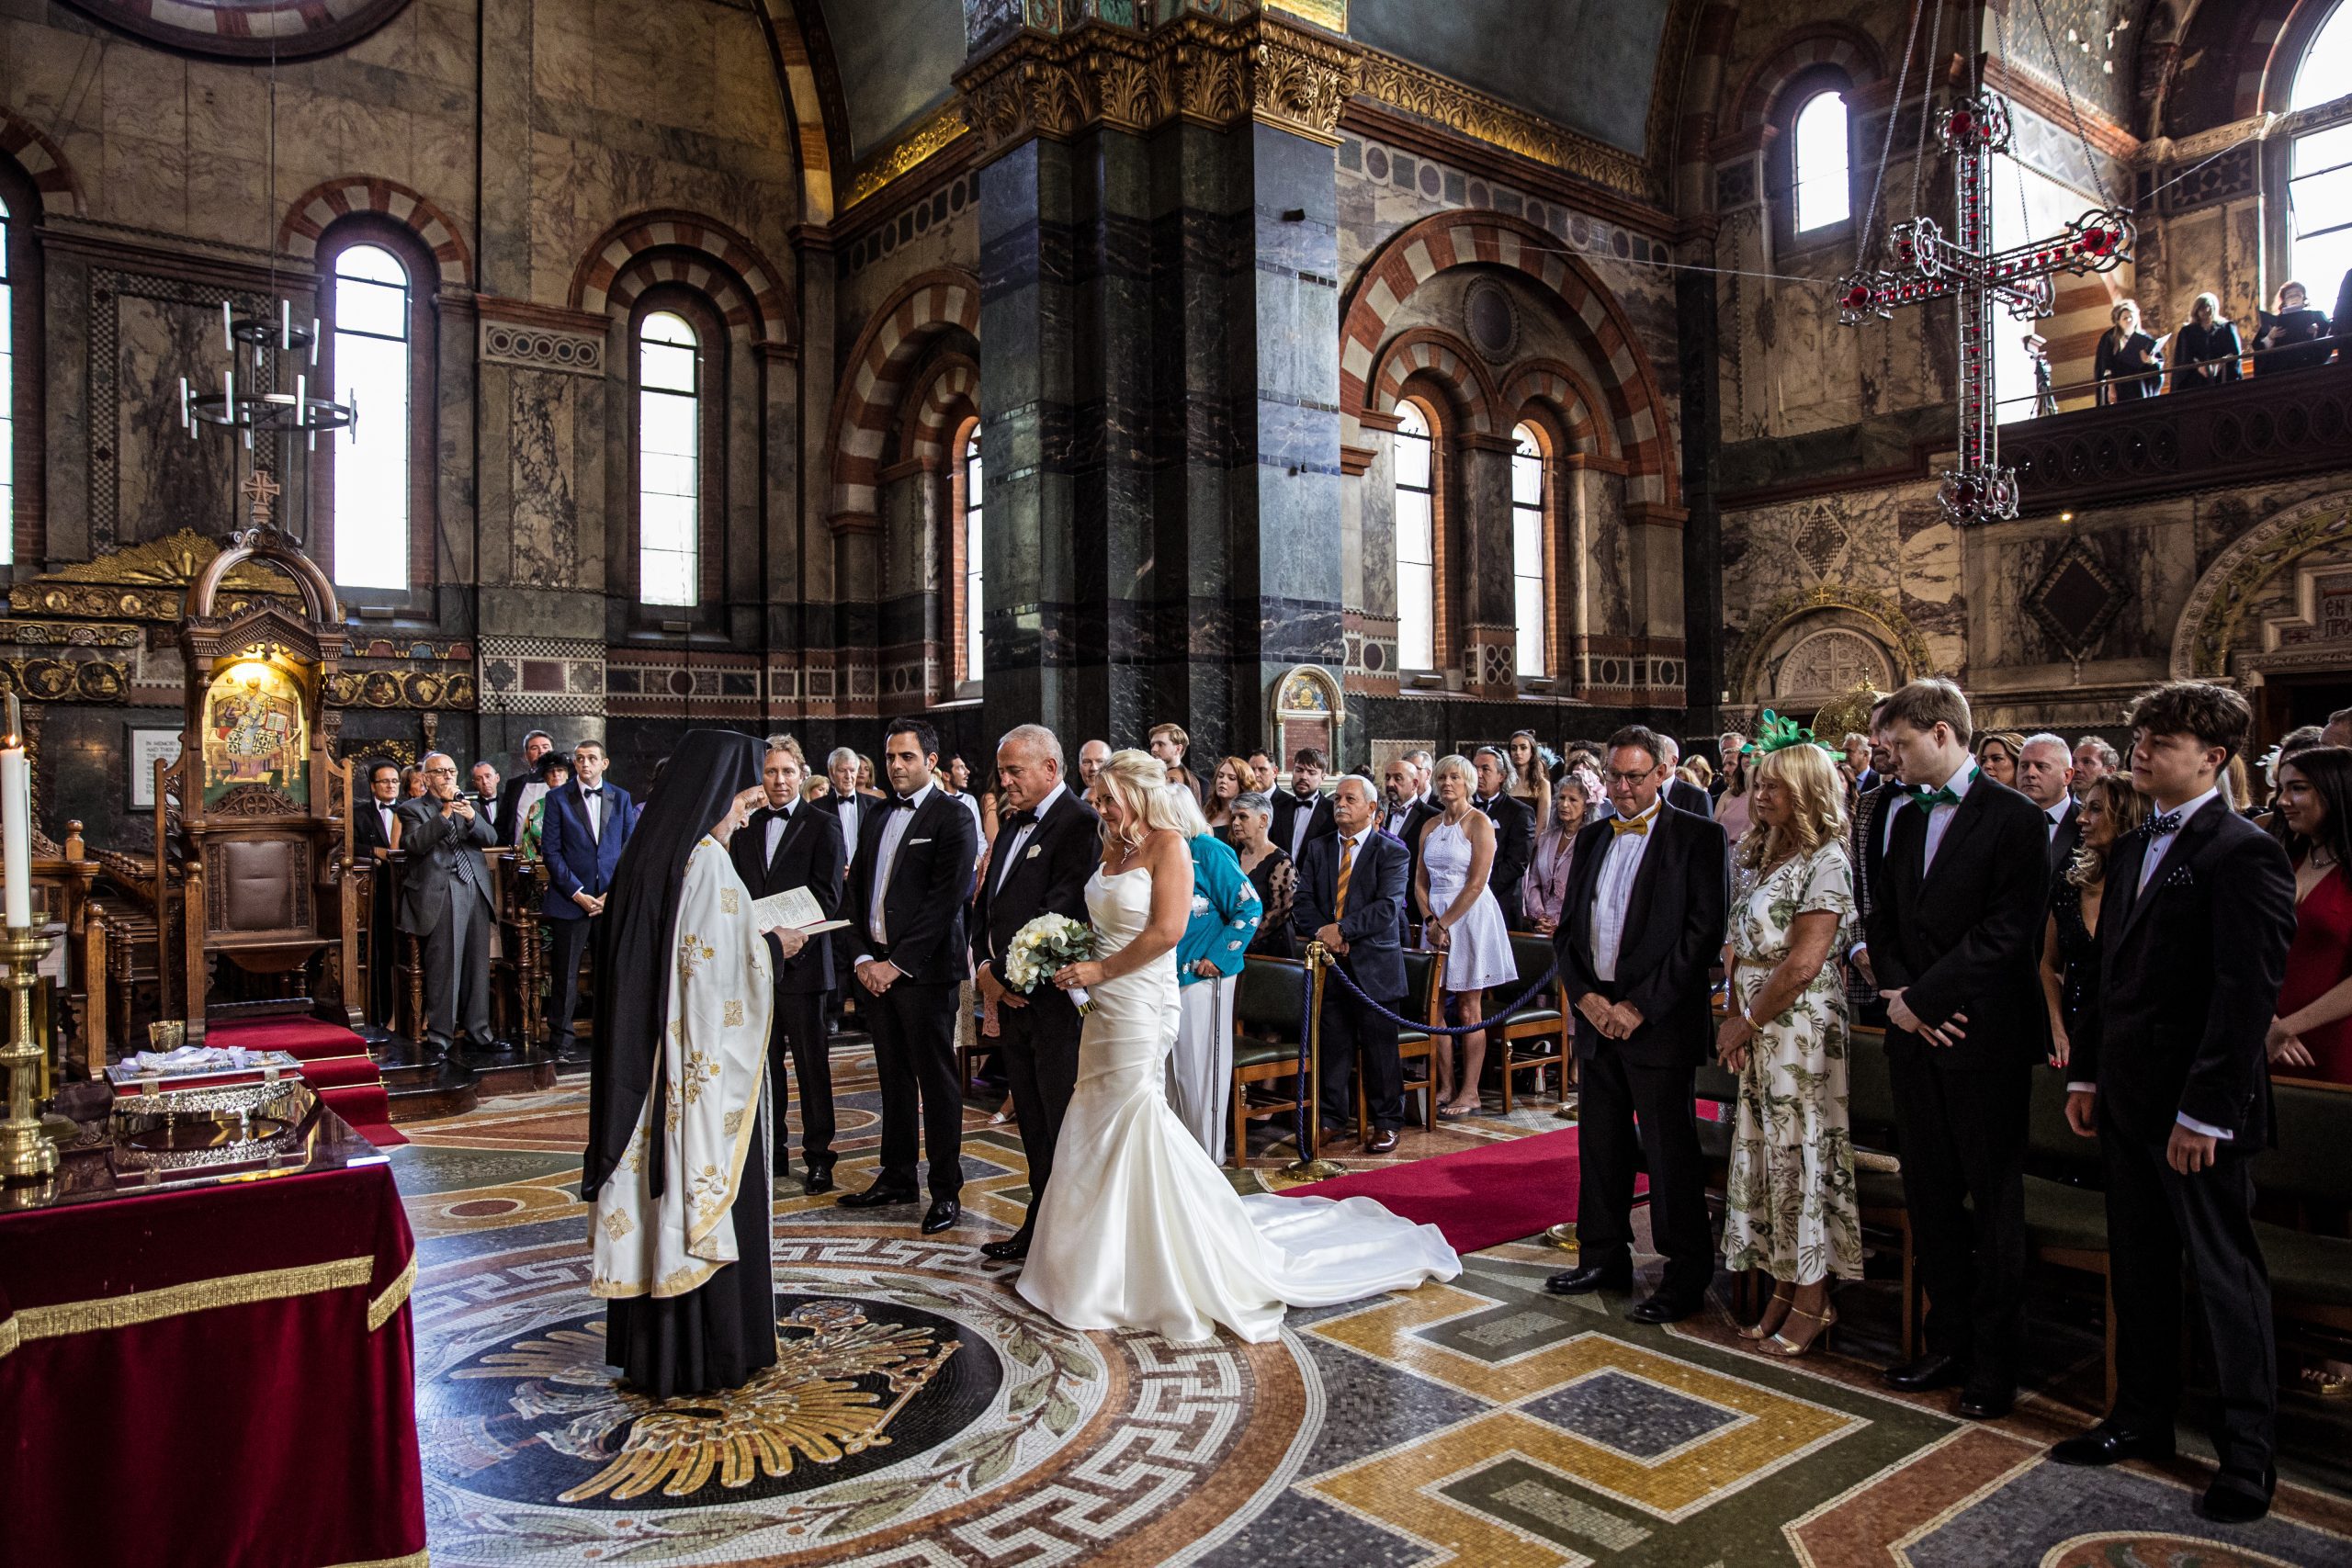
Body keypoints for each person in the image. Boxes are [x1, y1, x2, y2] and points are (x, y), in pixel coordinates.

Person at [1014, 750, 1458, 1341]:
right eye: (1095, 798)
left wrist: (1100, 970)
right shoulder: (1111, 843)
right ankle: (1089, 1258)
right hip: (1105, 1005)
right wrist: (1069, 950)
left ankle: (1150, 1258)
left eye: (1107, 799)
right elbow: (1103, 920)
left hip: (1143, 998)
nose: (1098, 808)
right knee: (1095, 1113)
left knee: (1134, 1112)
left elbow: (1166, 931)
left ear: (1140, 795)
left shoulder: (1170, 845)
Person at [2052, 682, 2296, 1525]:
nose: (2142, 748)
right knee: (2142, 1266)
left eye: (2163, 738)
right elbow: (2104, 975)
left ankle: (2247, 1456)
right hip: (2123, 1096)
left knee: (2225, 1278)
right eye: (2141, 735)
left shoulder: (2244, 852)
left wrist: (2206, 1113)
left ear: (2215, 757)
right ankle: (2142, 1417)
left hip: (2200, 1112)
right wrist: (2086, 1073)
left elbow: (2244, 995)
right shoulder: (2132, 844)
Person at [585, 729, 793, 1398]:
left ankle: (658, 1352)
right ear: (715, 794)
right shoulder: (706, 861)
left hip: (651, 1069)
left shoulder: (653, 853)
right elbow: (719, 982)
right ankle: (707, 1353)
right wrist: (778, 949)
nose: (745, 813)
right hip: (696, 1078)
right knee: (708, 1200)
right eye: (742, 800)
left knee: (657, 1206)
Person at [1866, 679, 2049, 1421]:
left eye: (1900, 745)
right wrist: (1903, 1003)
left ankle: (1996, 1363)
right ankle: (1947, 1339)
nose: (1890, 759)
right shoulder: (1897, 814)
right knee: (1929, 1193)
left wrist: (1930, 1000)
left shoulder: (2014, 817)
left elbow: (2010, 931)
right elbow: (1882, 915)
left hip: (1983, 1033)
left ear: (1941, 733)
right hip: (1914, 1032)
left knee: (1993, 1200)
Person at [1547, 726, 1728, 1325]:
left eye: (1634, 776)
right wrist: (1586, 997)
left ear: (1660, 775)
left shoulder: (1697, 836)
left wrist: (1640, 1004)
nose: (1623, 788)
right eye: (1616, 776)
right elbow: (1569, 927)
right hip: (1599, 1015)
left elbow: (1701, 934)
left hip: (1659, 1019)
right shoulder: (1596, 834)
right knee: (1599, 1140)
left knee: (1670, 1147)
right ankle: (1602, 1253)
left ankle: (1684, 1273)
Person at [1717, 737, 1860, 1358]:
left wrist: (1746, 1019)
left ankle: (1813, 1297)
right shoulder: (1767, 853)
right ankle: (1782, 1283)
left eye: (1775, 785)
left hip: (1799, 1029)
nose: (1762, 794)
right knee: (1768, 1156)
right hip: (1757, 1022)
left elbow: (1803, 963)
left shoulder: (1827, 858)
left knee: (1803, 1156)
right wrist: (1732, 1014)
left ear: (1807, 790)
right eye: (1759, 783)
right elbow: (1738, 948)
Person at [839, 720, 980, 1234]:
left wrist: (895, 965)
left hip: (923, 974)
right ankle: (897, 1175)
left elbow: (946, 902)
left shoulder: (953, 817)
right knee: (892, 1079)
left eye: (907, 757)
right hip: (874, 969)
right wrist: (860, 960)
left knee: (937, 1082)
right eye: (891, 757)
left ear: (932, 761)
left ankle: (945, 1190)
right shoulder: (877, 814)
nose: (897, 765)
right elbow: (853, 893)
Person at [970, 725, 1101, 1263]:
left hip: (1051, 1004)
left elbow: (1062, 910)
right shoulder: (1010, 824)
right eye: (1001, 771)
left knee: (1057, 1115)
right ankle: (1039, 1219)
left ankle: (1064, 1232)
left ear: (1050, 769)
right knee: (1027, 1112)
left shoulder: (1080, 823)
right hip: (1011, 998)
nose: (1004, 781)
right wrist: (983, 967)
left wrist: (1012, 976)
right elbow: (987, 907)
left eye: (1014, 771)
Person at [730, 735, 846, 1192]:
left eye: (786, 771)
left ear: (802, 773)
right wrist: (757, 935)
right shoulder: (747, 828)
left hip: (804, 964)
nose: (779, 780)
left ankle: (820, 1157)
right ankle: (771, 1152)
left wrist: (784, 932)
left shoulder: (823, 824)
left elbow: (829, 896)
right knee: (764, 1066)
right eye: (770, 772)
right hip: (755, 964)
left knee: (811, 1067)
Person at [1294, 773, 1413, 1154]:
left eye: (1350, 798)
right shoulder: (1318, 848)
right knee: (1332, 1044)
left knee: (1380, 1049)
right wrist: (1325, 934)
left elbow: (1388, 906)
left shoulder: (1391, 851)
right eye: (1337, 799)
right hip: (1331, 964)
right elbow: (1304, 901)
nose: (1340, 804)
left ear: (1372, 808)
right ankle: (1331, 1118)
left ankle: (1387, 1122)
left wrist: (1343, 931)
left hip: (1374, 964)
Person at [1418, 755, 1515, 1120]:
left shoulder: (1480, 822)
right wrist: (1430, 918)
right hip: (1435, 918)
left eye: (1454, 777)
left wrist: (1446, 923)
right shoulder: (1429, 824)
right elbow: (1419, 882)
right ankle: (1445, 1084)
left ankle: (1471, 1091)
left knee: (1468, 1006)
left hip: (1470, 917)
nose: (1446, 783)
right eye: (1441, 777)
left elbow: (1477, 882)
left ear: (1469, 782)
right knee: (1435, 1009)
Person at [1168, 784, 1260, 1159]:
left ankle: (1208, 1155)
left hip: (1205, 977)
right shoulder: (1164, 853)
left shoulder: (1209, 850)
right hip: (1168, 977)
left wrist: (1218, 957)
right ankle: (1178, 1156)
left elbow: (1249, 907)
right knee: (1173, 1074)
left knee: (1201, 1071)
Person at [2039, 774, 2147, 1070]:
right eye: (2085, 807)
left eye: (2096, 809)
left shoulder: (2150, 890)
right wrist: (2057, 1029)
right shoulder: (2070, 884)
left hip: (2135, 1045)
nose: (2081, 818)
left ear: (2129, 815)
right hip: (2073, 1039)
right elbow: (2049, 964)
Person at [540, 739, 640, 1056]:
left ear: (604, 763)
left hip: (610, 899)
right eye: (580, 759)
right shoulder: (557, 798)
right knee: (565, 974)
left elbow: (630, 850)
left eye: (591, 759)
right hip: (570, 900)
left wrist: (612, 894)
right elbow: (551, 852)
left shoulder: (621, 797)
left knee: (610, 970)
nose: (585, 764)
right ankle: (561, 1041)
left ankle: (610, 1038)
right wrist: (578, 893)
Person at [397, 753, 500, 1055]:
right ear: (426, 778)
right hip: (440, 892)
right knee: (446, 966)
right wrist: (444, 812)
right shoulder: (411, 809)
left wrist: (469, 816)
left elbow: (491, 838)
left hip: (475, 888)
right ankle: (441, 1035)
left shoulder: (470, 804)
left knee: (477, 965)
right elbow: (414, 844)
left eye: (452, 771)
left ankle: (480, 1032)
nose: (447, 777)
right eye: (440, 772)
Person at [2271, 747, 2352, 1086]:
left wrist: (2286, 1028)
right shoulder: (2278, 858)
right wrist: (2264, 1019)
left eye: (2298, 788)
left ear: (2337, 789)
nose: (2281, 801)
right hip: (2260, 1036)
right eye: (2281, 788)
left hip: (2333, 1046)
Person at [354, 760, 402, 1028]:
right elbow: (349, 844)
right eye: (384, 781)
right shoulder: (359, 812)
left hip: (405, 891)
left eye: (394, 781)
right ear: (373, 786)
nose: (390, 785)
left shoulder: (409, 811)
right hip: (375, 893)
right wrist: (376, 852)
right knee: (380, 956)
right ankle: (379, 1016)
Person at [1523, 767, 1600, 936]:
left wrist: (1560, 923)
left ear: (1587, 806)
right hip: (1541, 924)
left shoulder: (1592, 842)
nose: (1564, 804)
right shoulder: (1546, 838)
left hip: (1575, 927)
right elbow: (1534, 882)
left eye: (1573, 800)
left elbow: (1590, 891)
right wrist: (1541, 916)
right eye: (1562, 798)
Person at [1472, 747, 1536, 929]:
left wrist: (1478, 889)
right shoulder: (1464, 807)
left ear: (1502, 776)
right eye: (1475, 768)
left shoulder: (1519, 812)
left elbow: (1517, 863)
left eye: (1485, 769)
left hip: (1500, 901)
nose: (1478, 774)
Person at [1231, 791, 1296, 958]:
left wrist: (1239, 938)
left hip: (1270, 951)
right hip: (1234, 943)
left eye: (1243, 817)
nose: (1235, 823)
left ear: (1263, 820)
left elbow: (1278, 914)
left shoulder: (1282, 862)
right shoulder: (1233, 855)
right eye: (1234, 817)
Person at [2016, 732, 2081, 880]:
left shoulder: (2084, 826)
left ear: (2067, 776)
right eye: (2024, 766)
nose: (2030, 773)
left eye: (2041, 766)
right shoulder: (2003, 822)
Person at [1272, 748, 1336, 863]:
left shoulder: (1332, 812)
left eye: (1311, 772)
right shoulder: (1278, 809)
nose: (1303, 777)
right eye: (1299, 770)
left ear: (1322, 777)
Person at [2171, 291, 2244, 391]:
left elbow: (2235, 353)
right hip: (2196, 382)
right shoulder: (2187, 332)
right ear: (2196, 310)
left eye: (2209, 306)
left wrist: (2221, 363)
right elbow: (2182, 358)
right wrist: (2198, 367)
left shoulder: (2227, 328)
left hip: (2223, 378)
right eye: (2202, 307)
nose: (2206, 310)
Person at [2256, 279, 2333, 373]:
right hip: (2281, 369)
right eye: (2289, 296)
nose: (2293, 298)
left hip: (2310, 366)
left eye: (2297, 294)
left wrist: (2316, 333)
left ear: (2304, 298)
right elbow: (2258, 349)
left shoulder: (2317, 316)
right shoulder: (2272, 322)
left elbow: (2328, 337)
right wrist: (2270, 337)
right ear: (2284, 302)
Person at [2094, 299, 2163, 402]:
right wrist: (2111, 388)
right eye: (2125, 318)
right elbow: (2105, 365)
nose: (2129, 320)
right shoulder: (2110, 338)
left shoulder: (2144, 338)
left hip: (2140, 387)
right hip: (2120, 387)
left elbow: (2156, 367)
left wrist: (2150, 361)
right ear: (2118, 321)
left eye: (2131, 317)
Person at [495, 729, 556, 846]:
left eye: (545, 747)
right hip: (519, 854)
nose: (541, 751)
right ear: (526, 755)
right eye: (534, 748)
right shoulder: (514, 785)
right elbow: (502, 825)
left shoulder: (566, 783)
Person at [516, 752, 570, 863]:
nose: (555, 774)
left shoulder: (580, 802)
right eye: (550, 771)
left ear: (567, 775)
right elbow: (527, 842)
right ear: (545, 778)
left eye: (560, 770)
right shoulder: (536, 807)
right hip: (545, 866)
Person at [1653, 734, 1716, 819]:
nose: (1652, 759)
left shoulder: (1697, 797)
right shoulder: (1637, 790)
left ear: (1674, 760)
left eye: (1657, 754)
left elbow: (1705, 831)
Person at [1508, 729, 1554, 835]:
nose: (1518, 752)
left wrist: (1530, 847)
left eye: (1523, 748)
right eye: (1514, 749)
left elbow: (1542, 825)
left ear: (1532, 751)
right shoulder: (1505, 781)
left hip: (1529, 841)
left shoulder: (1542, 784)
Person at [1148, 722, 1204, 803]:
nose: (1154, 749)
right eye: (1153, 745)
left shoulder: (1182, 779)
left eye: (1160, 744)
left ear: (1178, 749)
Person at [1716, 742, 1755, 843]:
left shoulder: (1767, 796)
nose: (1749, 760)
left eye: (1757, 755)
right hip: (1725, 853)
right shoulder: (1727, 795)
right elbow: (1713, 829)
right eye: (1747, 755)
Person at [1204, 755, 1250, 830]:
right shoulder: (1206, 811)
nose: (1223, 781)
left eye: (1231, 778)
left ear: (1242, 785)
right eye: (1220, 776)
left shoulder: (1246, 817)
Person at [469, 761, 503, 839]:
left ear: (497, 778)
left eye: (488, 776)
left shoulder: (509, 800)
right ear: (474, 783)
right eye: (479, 779)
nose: (485, 782)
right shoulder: (471, 805)